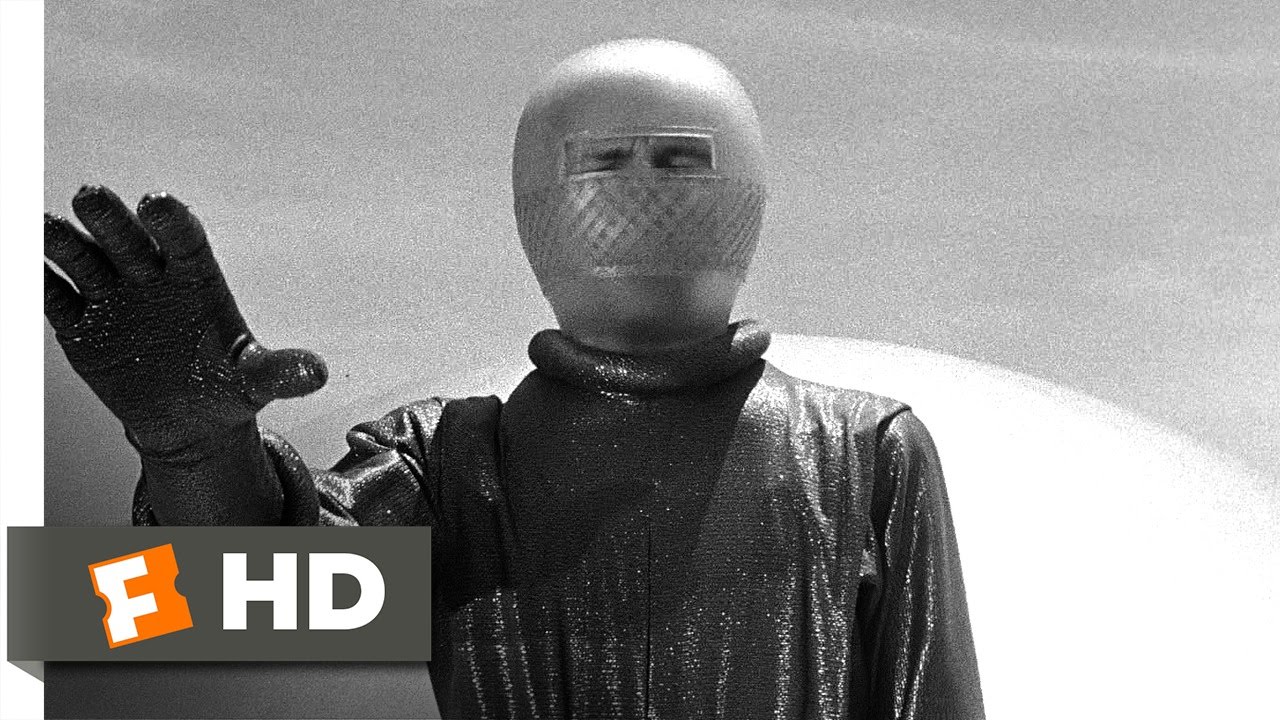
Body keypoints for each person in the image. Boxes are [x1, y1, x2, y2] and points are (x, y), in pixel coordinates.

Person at [44, 39, 985, 720]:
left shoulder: (867, 452)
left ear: (744, 189)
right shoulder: (450, 462)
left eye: (679, 157)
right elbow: (255, 602)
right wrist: (198, 453)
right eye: (602, 159)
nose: (640, 190)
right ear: (540, 199)